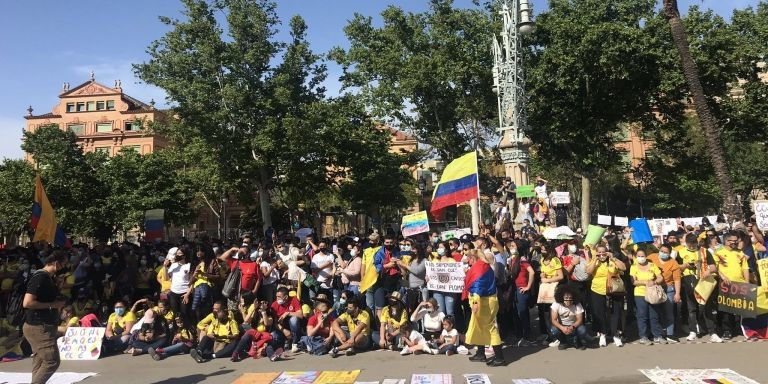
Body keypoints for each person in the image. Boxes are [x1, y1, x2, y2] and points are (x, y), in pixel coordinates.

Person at [22, 250, 67, 384]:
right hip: (39, 326)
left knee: (40, 360)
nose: (63, 267)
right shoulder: (40, 277)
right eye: (62, 263)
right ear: (55, 262)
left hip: (43, 325)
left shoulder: (48, 278)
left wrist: (58, 286)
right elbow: (27, 302)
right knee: (51, 361)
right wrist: (53, 305)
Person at [464, 237, 505, 367]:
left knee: (490, 328)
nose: (467, 261)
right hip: (485, 300)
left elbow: (478, 287)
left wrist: (475, 304)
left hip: (483, 302)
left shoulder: (479, 268)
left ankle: (500, 357)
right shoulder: (483, 265)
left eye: (468, 258)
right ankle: (481, 353)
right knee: (479, 327)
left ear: (473, 258)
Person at [678, 233, 722, 342]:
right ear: (686, 243)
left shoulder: (704, 251)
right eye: (690, 244)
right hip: (688, 281)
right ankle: (692, 331)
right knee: (691, 309)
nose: (692, 247)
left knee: (706, 308)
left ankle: (713, 332)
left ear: (697, 242)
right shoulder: (681, 252)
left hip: (703, 282)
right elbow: (677, 267)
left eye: (694, 244)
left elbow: (713, 267)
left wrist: (708, 271)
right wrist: (684, 266)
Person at [586, 244, 627, 348]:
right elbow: (588, 272)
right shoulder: (594, 261)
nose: (601, 254)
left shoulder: (612, 260)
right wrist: (595, 259)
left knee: (616, 312)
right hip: (597, 289)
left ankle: (616, 335)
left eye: (603, 252)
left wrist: (613, 257)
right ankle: (602, 334)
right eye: (599, 252)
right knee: (599, 312)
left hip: (614, 290)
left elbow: (624, 267)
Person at [714, 231, 751, 339]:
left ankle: (739, 328)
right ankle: (727, 330)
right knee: (726, 309)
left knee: (740, 308)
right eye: (732, 241)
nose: (735, 243)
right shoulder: (718, 252)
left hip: (740, 284)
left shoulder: (740, 253)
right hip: (725, 284)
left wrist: (747, 282)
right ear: (726, 241)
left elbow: (745, 268)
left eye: (736, 241)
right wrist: (723, 277)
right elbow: (714, 268)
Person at [630, 249, 665, 345]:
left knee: (654, 315)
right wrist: (645, 282)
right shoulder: (633, 267)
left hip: (652, 293)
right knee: (642, 315)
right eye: (639, 256)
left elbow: (660, 277)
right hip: (640, 294)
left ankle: (657, 336)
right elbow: (633, 281)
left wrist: (654, 282)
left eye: (642, 256)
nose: (641, 258)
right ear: (636, 257)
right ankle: (643, 336)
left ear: (646, 256)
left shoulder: (652, 265)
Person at [651, 244, 682, 342]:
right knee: (655, 312)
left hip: (669, 288)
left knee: (669, 311)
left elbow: (677, 279)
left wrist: (677, 293)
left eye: (666, 252)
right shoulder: (651, 257)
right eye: (662, 251)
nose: (663, 253)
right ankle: (657, 333)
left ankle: (670, 333)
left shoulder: (673, 263)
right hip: (654, 288)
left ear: (669, 253)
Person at [508, 241, 535, 344]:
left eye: (513, 245)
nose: (511, 247)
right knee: (517, 312)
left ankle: (526, 335)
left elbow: (531, 272)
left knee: (522, 313)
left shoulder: (522, 259)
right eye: (511, 246)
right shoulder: (513, 259)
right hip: (515, 288)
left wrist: (528, 286)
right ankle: (521, 334)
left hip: (521, 288)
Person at [550, 285, 588, 350]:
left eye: (570, 297)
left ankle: (577, 340)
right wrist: (562, 328)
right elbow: (553, 320)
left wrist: (572, 327)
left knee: (582, 330)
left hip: (574, 326)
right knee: (554, 330)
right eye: (566, 297)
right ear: (561, 297)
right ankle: (563, 341)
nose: (568, 300)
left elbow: (579, 320)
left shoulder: (577, 304)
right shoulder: (556, 304)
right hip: (562, 325)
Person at [272, 286, 304, 352]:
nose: (277, 299)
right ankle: (286, 342)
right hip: (282, 328)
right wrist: (284, 330)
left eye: (279, 297)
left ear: (286, 297)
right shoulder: (274, 305)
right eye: (276, 296)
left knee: (294, 319)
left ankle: (295, 342)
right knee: (273, 335)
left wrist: (288, 313)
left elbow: (301, 315)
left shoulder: (294, 300)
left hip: (294, 327)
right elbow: (275, 323)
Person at [165, 247, 192, 319]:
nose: (178, 255)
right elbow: (167, 278)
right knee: (175, 313)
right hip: (173, 293)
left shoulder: (189, 265)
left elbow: (192, 282)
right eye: (177, 254)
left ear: (184, 255)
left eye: (180, 254)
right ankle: (176, 329)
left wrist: (187, 294)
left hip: (184, 293)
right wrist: (165, 267)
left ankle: (186, 328)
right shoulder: (173, 265)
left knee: (184, 314)